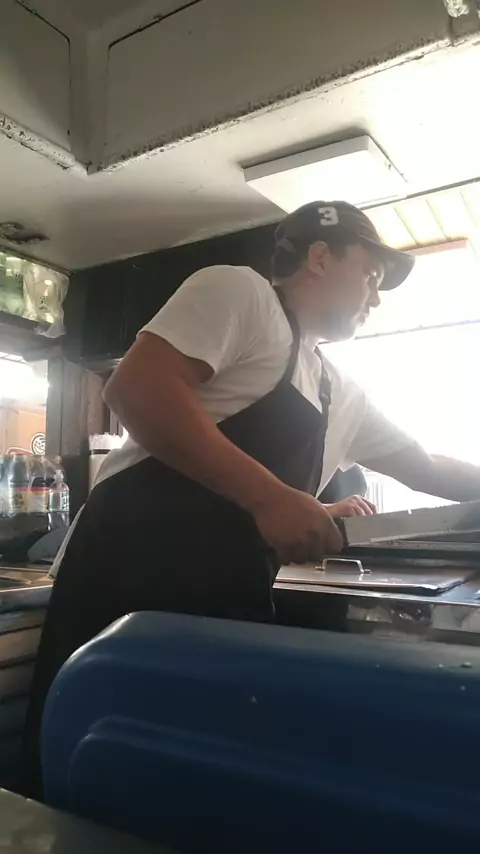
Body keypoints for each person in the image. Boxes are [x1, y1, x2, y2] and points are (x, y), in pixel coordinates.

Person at [21, 200, 480, 796]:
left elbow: (426, 467)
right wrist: (271, 498)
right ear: (320, 257)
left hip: (224, 599)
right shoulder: (242, 294)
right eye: (371, 275)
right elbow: (138, 388)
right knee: (86, 762)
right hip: (127, 582)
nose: (377, 296)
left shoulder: (340, 390)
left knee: (180, 783)